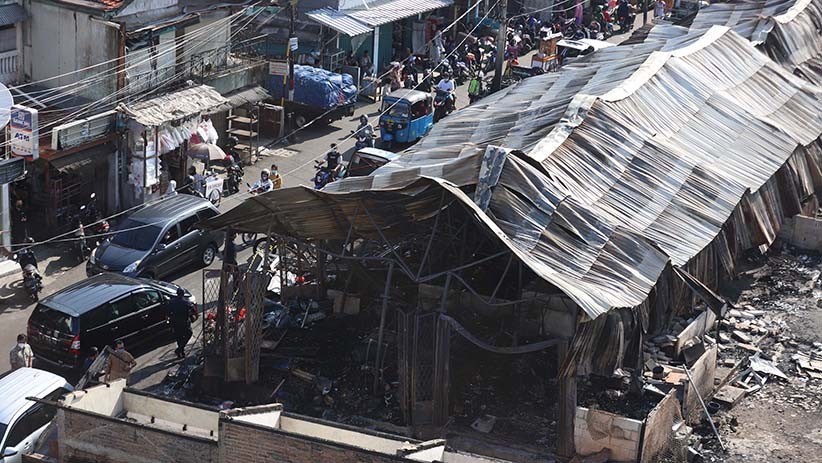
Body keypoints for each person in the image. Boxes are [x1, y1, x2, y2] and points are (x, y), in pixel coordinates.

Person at [167, 288, 196, 359]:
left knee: (179, 337)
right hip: (184, 322)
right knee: (189, 334)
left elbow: (168, 312)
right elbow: (193, 309)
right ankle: (180, 349)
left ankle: (181, 352)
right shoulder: (186, 302)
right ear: (183, 294)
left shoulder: (172, 302)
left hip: (175, 322)